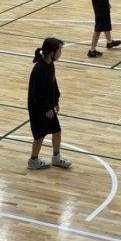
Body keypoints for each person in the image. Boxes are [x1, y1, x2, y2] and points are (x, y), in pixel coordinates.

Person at [27, 37, 72, 170]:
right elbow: (36, 94)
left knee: (56, 131)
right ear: (52, 53)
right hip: (38, 109)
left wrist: (56, 101)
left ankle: (56, 158)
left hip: (49, 107)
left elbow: (53, 84)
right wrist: (46, 108)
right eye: (59, 50)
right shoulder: (39, 69)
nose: (60, 53)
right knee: (39, 136)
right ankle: (33, 161)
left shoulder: (50, 65)